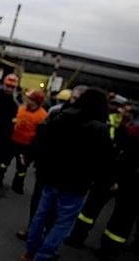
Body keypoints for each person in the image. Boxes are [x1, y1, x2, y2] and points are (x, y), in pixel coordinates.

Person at [22, 88, 116, 261]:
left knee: (41, 215)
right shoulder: (100, 129)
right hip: (76, 185)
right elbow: (106, 160)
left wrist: (38, 164)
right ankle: (43, 256)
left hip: (51, 178)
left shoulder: (63, 117)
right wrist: (108, 181)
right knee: (62, 223)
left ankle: (31, 250)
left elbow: (44, 141)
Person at [65, 106, 139, 261]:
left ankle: (78, 238)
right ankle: (107, 250)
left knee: (94, 209)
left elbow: (117, 154)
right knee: (122, 218)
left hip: (115, 176)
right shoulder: (128, 130)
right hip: (128, 182)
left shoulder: (129, 131)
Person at [15, 85, 87, 241]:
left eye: (78, 99)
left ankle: (47, 237)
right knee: (38, 202)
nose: (74, 101)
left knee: (57, 210)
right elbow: (41, 138)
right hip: (47, 169)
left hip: (71, 175)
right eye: (73, 97)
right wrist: (31, 157)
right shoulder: (56, 112)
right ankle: (32, 230)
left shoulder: (90, 121)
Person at [7, 89, 48, 195]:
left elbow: (41, 134)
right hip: (13, 141)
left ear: (35, 101)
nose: (26, 99)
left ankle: (17, 185)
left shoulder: (42, 115)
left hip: (26, 146)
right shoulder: (21, 108)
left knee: (22, 167)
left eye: (29, 98)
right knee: (4, 162)